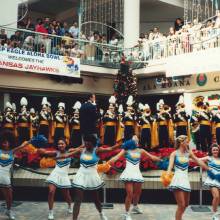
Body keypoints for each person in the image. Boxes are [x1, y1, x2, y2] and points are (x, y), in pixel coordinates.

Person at [108, 136, 161, 220]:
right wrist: (109, 162)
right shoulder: (126, 150)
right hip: (128, 173)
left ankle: (135, 207)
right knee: (130, 193)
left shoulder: (141, 151)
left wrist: (159, 159)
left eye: (137, 140)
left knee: (138, 192)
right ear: (131, 141)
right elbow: (116, 157)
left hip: (137, 174)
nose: (137, 141)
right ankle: (126, 213)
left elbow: (151, 157)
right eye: (135, 140)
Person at [71, 134, 120, 220]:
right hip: (81, 175)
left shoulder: (97, 150)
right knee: (78, 199)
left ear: (92, 143)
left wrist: (122, 143)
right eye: (85, 141)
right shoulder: (81, 150)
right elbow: (69, 152)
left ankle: (101, 213)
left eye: (87, 141)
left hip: (92, 176)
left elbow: (111, 149)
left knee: (96, 199)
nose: (85, 143)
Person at [38, 138, 82, 220]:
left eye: (62, 143)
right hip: (55, 174)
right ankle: (51, 212)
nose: (60, 145)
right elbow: (44, 152)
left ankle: (69, 205)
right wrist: (38, 149)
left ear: (66, 144)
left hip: (64, 176)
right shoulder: (56, 152)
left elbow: (80, 148)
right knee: (51, 192)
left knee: (66, 195)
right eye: (59, 144)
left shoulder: (70, 151)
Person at [167, 135, 209, 220]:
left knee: (186, 204)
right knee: (181, 205)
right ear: (181, 142)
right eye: (186, 141)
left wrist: (209, 169)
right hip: (177, 180)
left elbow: (198, 161)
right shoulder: (174, 153)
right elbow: (170, 166)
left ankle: (179, 217)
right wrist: (167, 174)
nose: (187, 143)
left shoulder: (189, 153)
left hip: (185, 180)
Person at [0, 130, 30, 220]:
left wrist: (31, 141)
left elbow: (22, 146)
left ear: (10, 143)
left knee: (9, 196)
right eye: (3, 143)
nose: (4, 144)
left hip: (5, 176)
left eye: (6, 143)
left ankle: (8, 211)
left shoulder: (12, 152)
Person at [200, 143, 220, 220]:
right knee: (216, 196)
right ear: (211, 151)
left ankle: (216, 213)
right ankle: (214, 214)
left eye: (217, 150)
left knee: (218, 198)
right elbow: (197, 160)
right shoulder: (209, 158)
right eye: (214, 150)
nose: (215, 151)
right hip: (212, 180)